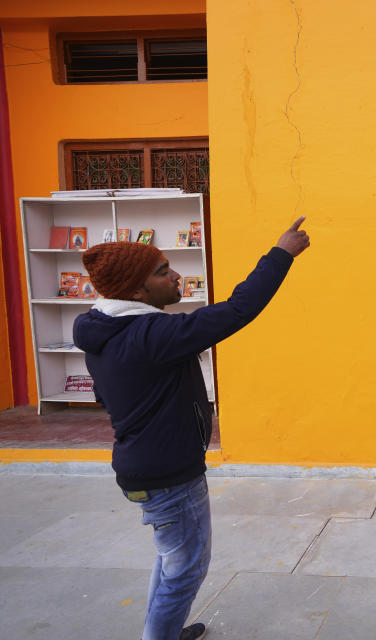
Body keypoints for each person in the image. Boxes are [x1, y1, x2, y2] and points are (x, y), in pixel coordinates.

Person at [73, 217, 310, 640]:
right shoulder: (152, 334)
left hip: (141, 468)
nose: (176, 276)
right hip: (169, 477)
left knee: (171, 561)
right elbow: (238, 310)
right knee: (186, 570)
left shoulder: (104, 332)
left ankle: (162, 630)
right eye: (163, 272)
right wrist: (281, 254)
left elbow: (108, 399)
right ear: (135, 290)